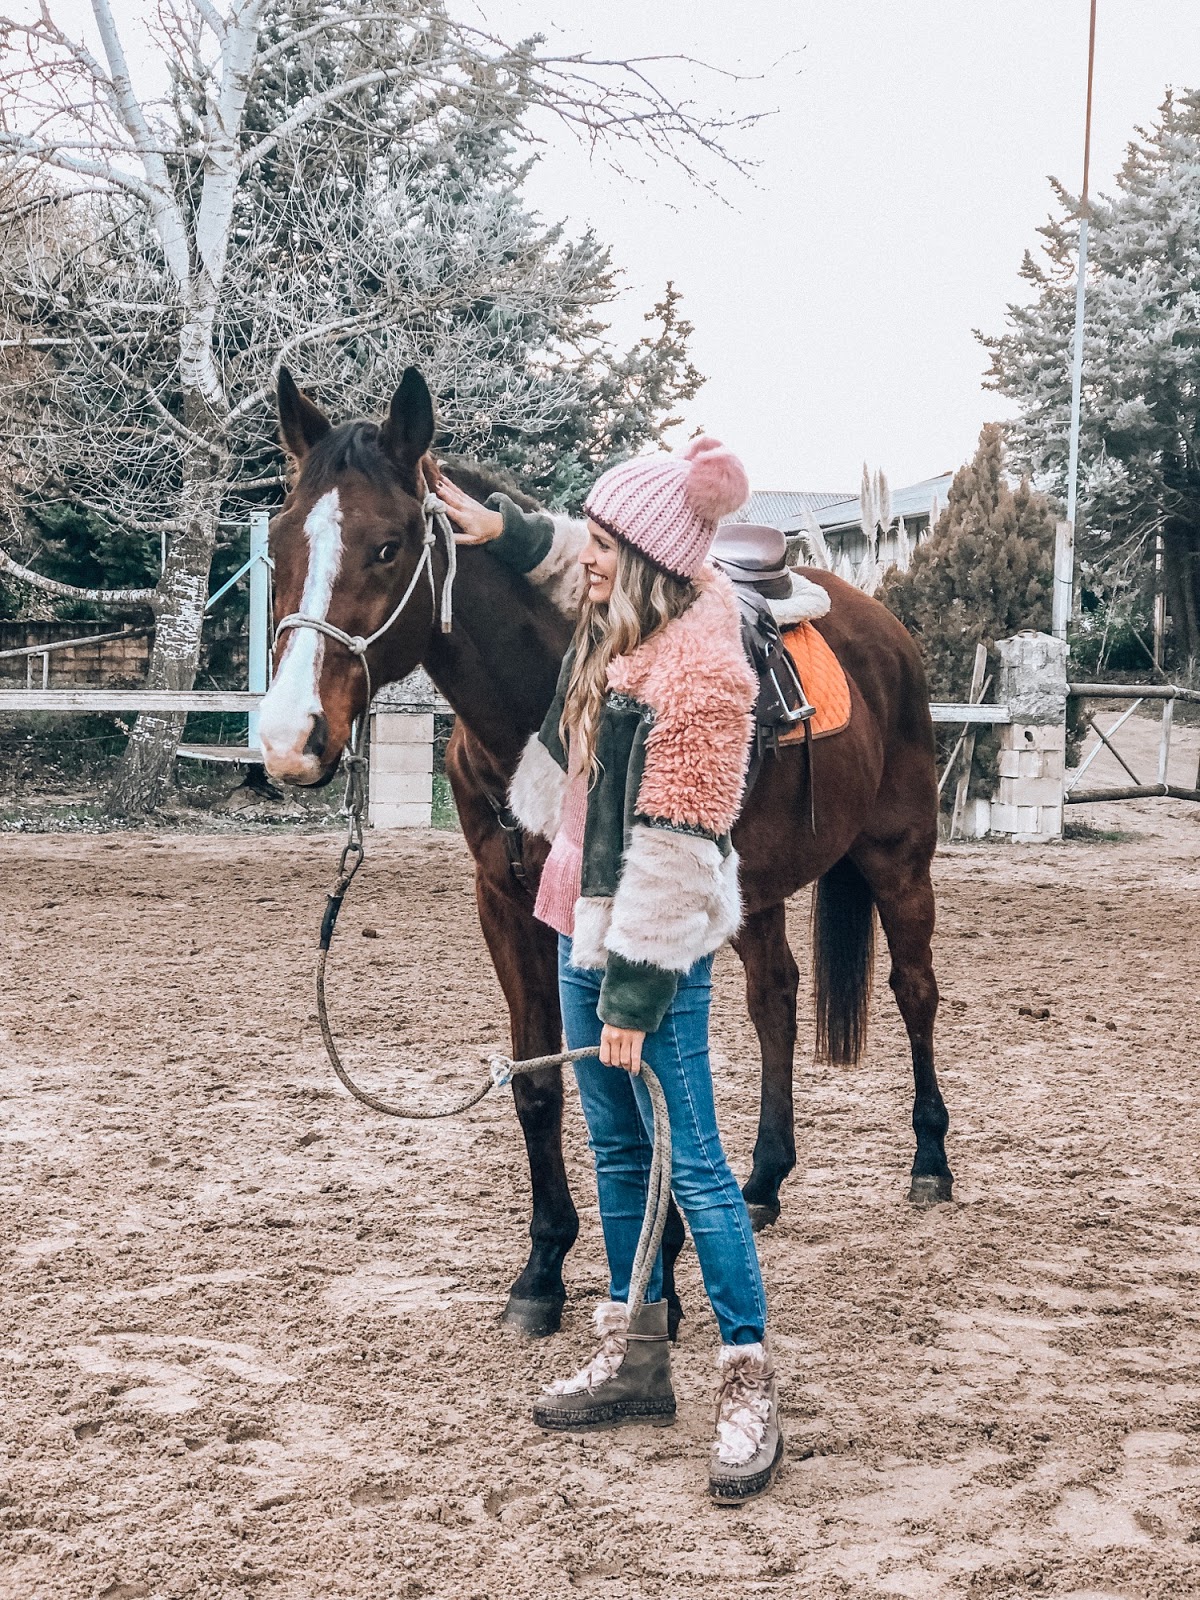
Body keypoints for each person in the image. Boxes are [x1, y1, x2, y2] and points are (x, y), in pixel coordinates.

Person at [439, 439, 782, 1503]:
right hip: (572, 914)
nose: (585, 553)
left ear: (646, 558)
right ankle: (634, 1354)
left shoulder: (706, 676)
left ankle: (746, 1377)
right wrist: (501, 528)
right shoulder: (621, 611)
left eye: (605, 540)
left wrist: (633, 993)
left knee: (701, 1169)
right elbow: (562, 550)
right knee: (619, 1150)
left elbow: (681, 854)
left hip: (647, 944)